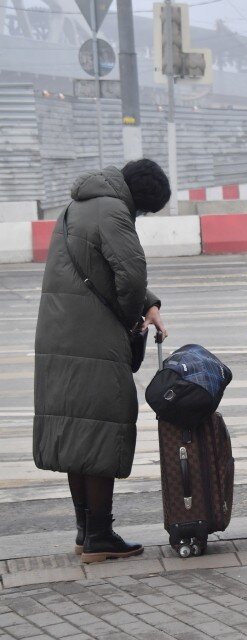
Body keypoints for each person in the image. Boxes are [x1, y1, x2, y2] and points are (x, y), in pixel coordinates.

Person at [34, 159, 171, 563]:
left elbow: (95, 270)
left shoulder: (79, 204)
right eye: (145, 211)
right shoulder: (114, 210)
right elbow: (130, 275)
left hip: (61, 333)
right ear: (140, 200)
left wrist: (150, 304)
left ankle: (85, 532)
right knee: (101, 429)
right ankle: (100, 536)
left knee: (80, 433)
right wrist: (135, 317)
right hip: (94, 337)